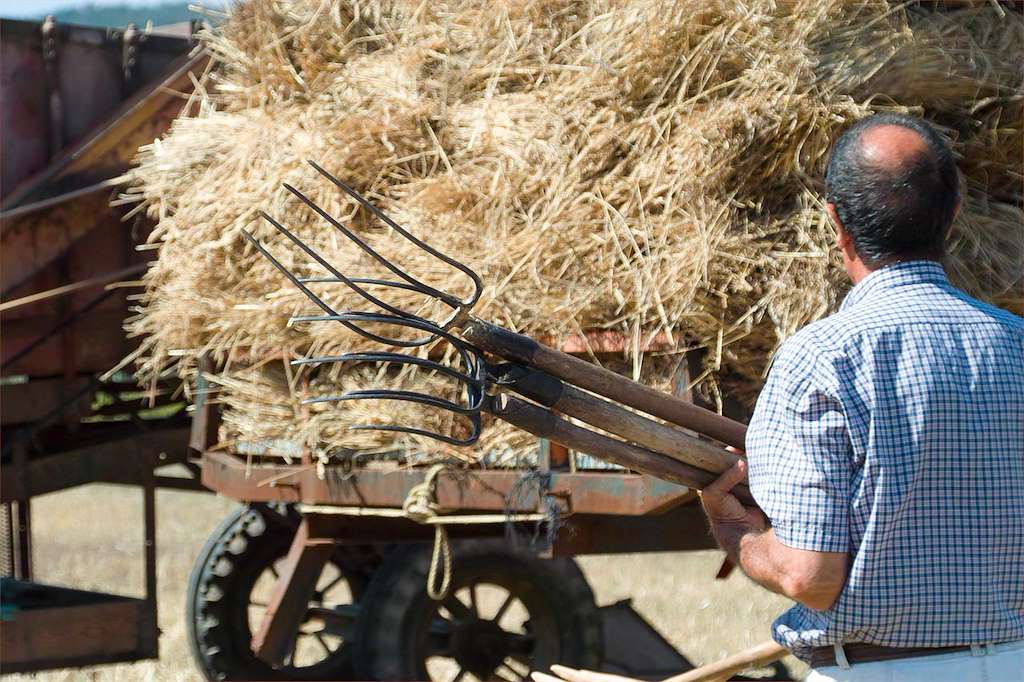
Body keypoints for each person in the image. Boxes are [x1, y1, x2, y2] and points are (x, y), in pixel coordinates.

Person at [537, 114, 1024, 682]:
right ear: (956, 212)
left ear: (834, 221)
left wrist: (738, 534)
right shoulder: (1016, 344)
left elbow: (810, 578)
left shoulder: (823, 358)